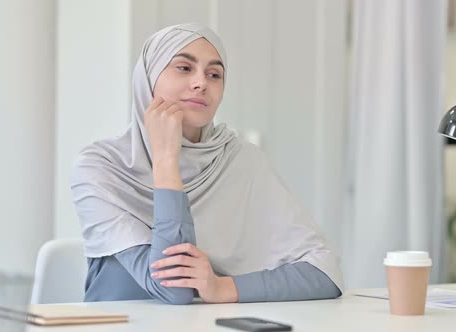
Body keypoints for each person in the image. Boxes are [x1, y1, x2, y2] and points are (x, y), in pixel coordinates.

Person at [71, 23, 343, 305]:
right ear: (148, 79)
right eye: (184, 68)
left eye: (214, 74)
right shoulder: (99, 167)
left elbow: (326, 273)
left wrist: (223, 287)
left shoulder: (240, 160)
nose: (201, 83)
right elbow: (172, 290)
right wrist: (166, 158)